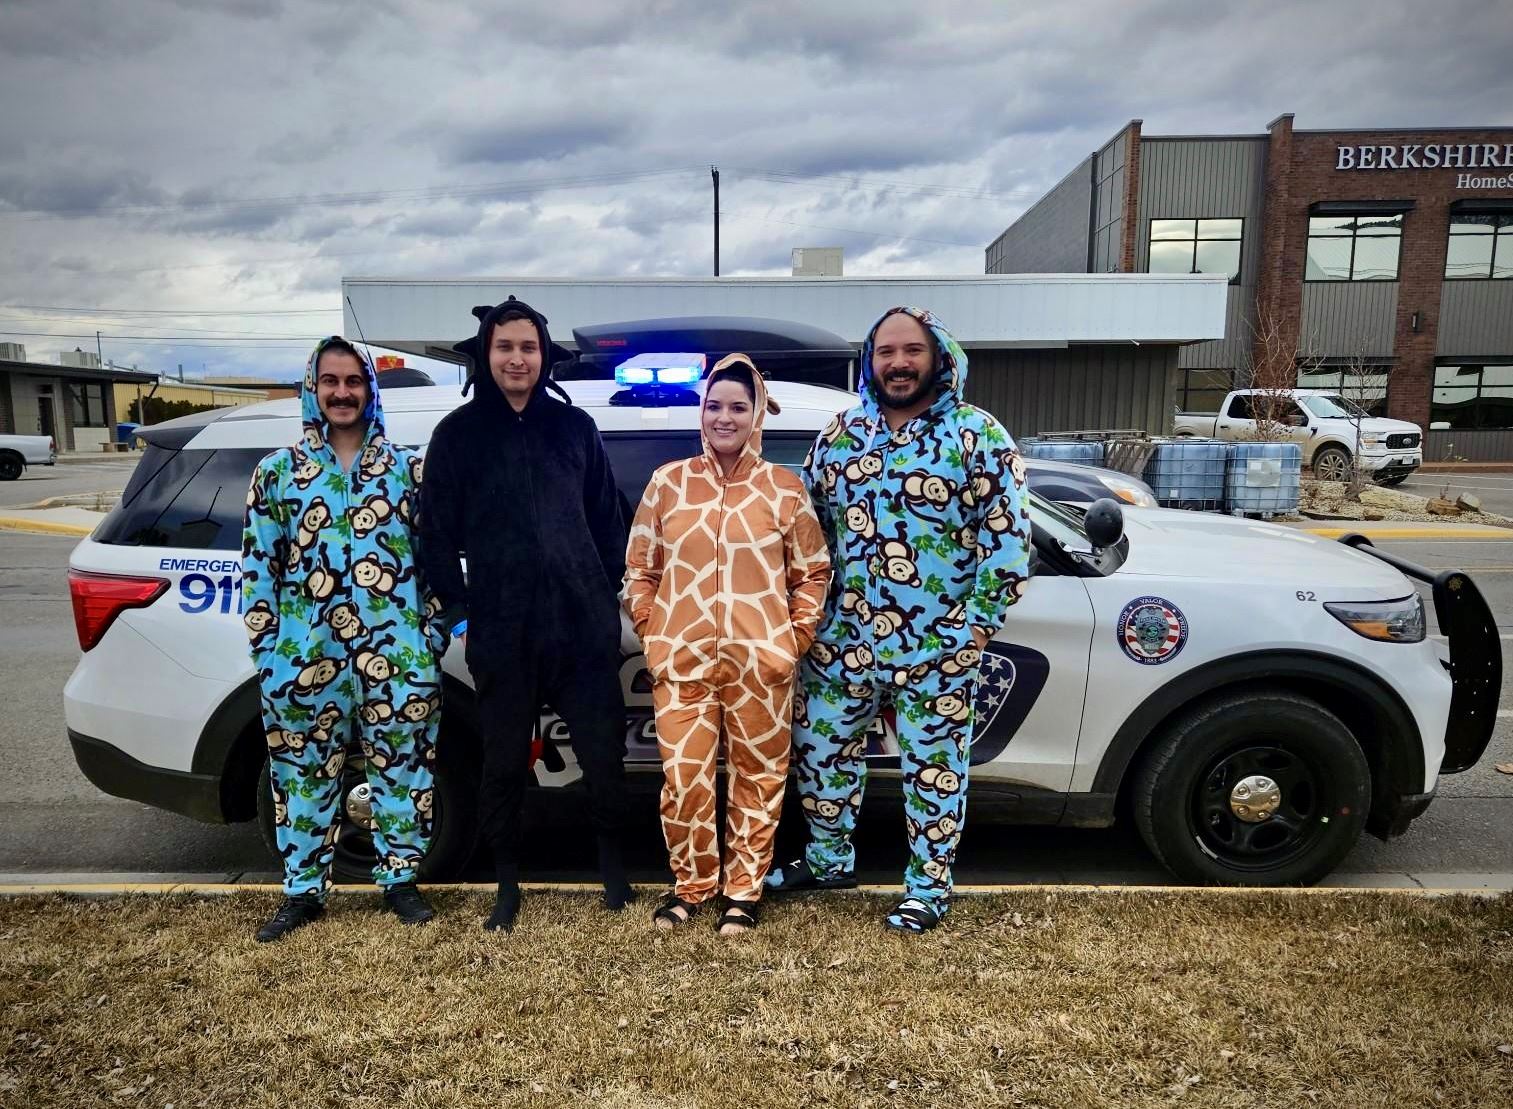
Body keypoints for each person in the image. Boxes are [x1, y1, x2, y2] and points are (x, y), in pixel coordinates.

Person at [766, 306, 1031, 933]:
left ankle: (928, 888)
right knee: (821, 757)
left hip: (937, 648)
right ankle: (830, 862)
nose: (899, 363)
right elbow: (809, 534)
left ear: (939, 355)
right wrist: (806, 617)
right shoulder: (839, 436)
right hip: (840, 644)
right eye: (886, 352)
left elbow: (1009, 543)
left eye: (912, 350)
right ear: (870, 360)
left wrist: (976, 628)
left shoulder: (978, 437)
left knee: (934, 771)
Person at [419, 296, 633, 932]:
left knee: (603, 756)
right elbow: (433, 536)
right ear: (486, 355)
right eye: (505, 346)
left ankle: (613, 868)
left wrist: (606, 590)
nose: (518, 358)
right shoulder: (457, 436)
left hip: (581, 626)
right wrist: (460, 613)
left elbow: (608, 519)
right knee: (504, 761)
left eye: (529, 347)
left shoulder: (575, 430)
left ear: (545, 356)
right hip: (502, 629)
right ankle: (507, 880)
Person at [242, 336, 446, 942]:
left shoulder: (409, 471)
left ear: (370, 389)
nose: (342, 392)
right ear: (313, 388)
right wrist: (269, 651)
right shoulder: (278, 474)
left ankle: (400, 880)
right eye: (330, 381)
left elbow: (435, 561)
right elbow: (259, 571)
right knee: (302, 774)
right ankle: (303, 891)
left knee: (404, 770)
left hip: (397, 655)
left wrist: (427, 636)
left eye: (353, 381)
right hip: (305, 659)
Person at [623, 355, 830, 935]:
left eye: (738, 406)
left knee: (759, 777)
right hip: (681, 660)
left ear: (757, 413)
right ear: (702, 412)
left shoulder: (783, 490)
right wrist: (654, 630)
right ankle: (690, 886)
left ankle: (743, 891)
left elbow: (813, 572)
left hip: (761, 665)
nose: (725, 417)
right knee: (684, 778)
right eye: (714, 405)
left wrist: (791, 640)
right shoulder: (669, 482)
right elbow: (639, 567)